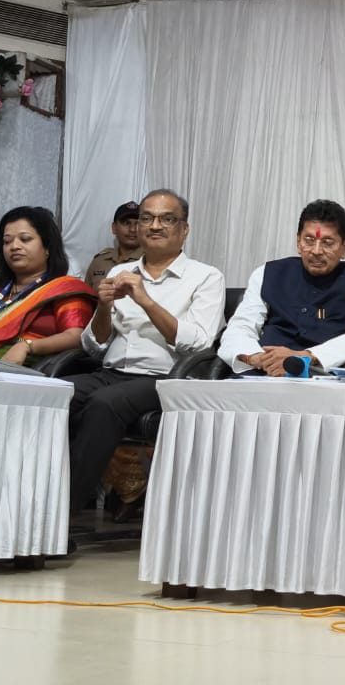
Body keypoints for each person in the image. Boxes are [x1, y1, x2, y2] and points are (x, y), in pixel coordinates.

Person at [65, 189, 224, 510]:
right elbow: (94, 345)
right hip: (110, 372)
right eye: (147, 218)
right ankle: (31, 499)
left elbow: (200, 343)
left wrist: (146, 301)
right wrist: (103, 308)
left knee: (104, 404)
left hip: (164, 378)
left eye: (167, 219)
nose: (154, 226)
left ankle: (65, 510)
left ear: (184, 229)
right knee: (55, 393)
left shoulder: (206, 277)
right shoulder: (118, 273)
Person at [219, 199, 345, 375]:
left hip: (319, 379)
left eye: (327, 243)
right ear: (298, 241)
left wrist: (307, 356)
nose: (316, 251)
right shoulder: (268, 273)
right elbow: (240, 327)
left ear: (344, 247)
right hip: (260, 374)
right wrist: (255, 357)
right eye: (309, 240)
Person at [0, 207, 95, 365]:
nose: (14, 246)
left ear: (47, 248)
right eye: (7, 241)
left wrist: (28, 346)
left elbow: (76, 337)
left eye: (25, 239)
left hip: (26, 371)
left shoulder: (64, 289)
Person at [84, 201, 143, 290]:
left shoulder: (152, 262)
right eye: (126, 223)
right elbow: (86, 296)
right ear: (114, 228)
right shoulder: (99, 262)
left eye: (138, 224)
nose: (132, 229)